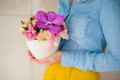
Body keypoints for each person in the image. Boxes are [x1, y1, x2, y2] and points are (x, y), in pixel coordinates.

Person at [28, 0, 120, 79]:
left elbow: (117, 61)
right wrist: (40, 48)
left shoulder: (107, 3)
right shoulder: (64, 1)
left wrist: (64, 57)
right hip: (52, 72)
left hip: (81, 76)